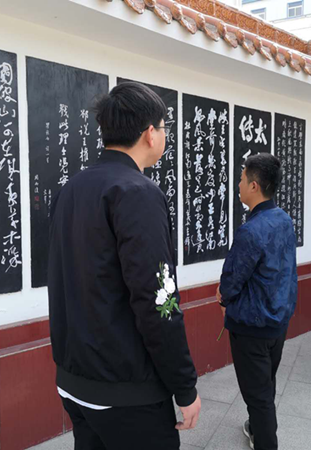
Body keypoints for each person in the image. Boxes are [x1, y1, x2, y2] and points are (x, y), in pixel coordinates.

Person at [48, 82, 200, 450]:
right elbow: (157, 300)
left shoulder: (71, 189)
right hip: (126, 392)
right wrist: (185, 386)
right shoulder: (137, 192)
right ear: (150, 133)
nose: (164, 136)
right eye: (164, 128)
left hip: (75, 381)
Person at [217, 153, 298, 450]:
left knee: (258, 395)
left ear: (254, 185)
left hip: (252, 325)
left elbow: (232, 279)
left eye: (241, 179)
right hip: (278, 319)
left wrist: (224, 297)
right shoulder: (283, 219)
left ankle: (265, 441)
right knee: (266, 383)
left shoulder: (251, 230)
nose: (238, 185)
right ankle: (256, 426)